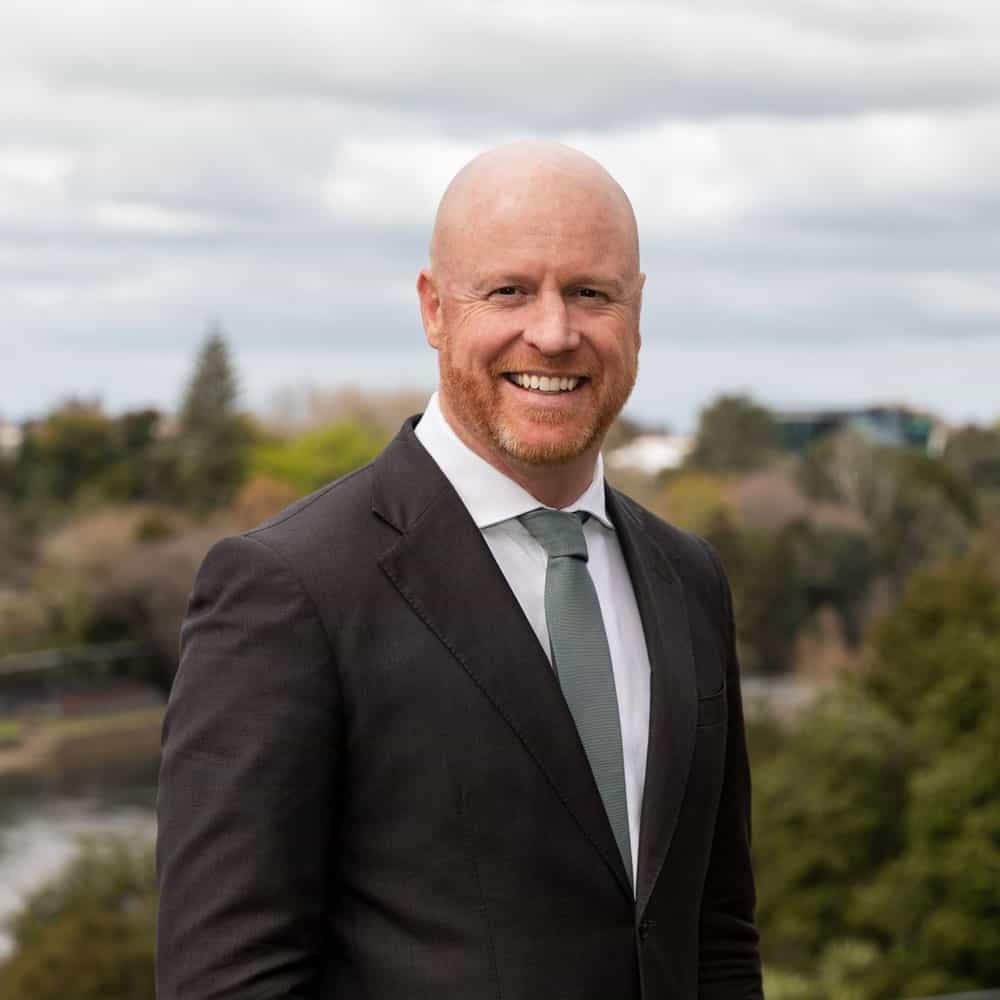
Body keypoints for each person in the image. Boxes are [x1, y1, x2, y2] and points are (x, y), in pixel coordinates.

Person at [156, 141, 763, 999]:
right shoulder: (290, 591)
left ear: (637, 313)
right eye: (509, 290)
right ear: (434, 308)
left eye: (591, 293)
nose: (553, 333)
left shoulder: (689, 578)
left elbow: (717, 932)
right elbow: (230, 982)